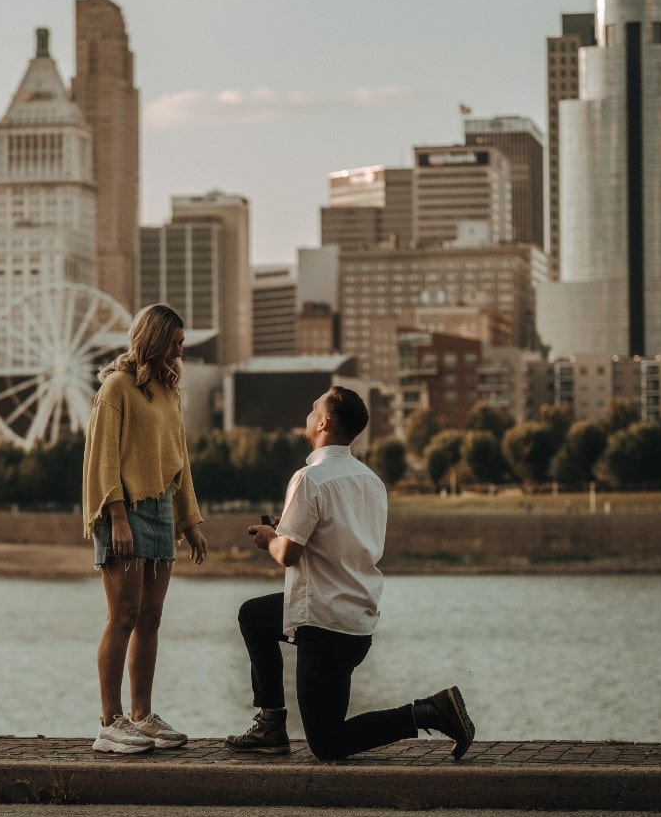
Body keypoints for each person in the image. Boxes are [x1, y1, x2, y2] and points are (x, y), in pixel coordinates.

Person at [223, 386, 475, 761]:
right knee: (255, 616)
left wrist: (270, 538)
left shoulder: (310, 478)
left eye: (313, 408)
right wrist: (290, 529)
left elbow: (288, 554)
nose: (308, 413)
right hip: (354, 622)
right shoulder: (371, 481)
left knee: (327, 743)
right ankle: (271, 722)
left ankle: (430, 711)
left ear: (324, 422)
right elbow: (337, 536)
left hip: (322, 624)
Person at [82, 303, 208, 754]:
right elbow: (103, 459)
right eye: (175, 341)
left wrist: (189, 520)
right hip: (125, 509)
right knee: (124, 616)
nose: (181, 349)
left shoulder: (169, 393)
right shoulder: (116, 388)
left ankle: (142, 716)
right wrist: (116, 516)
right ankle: (109, 723)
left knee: (151, 619)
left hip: (160, 512)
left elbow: (180, 460)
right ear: (154, 339)